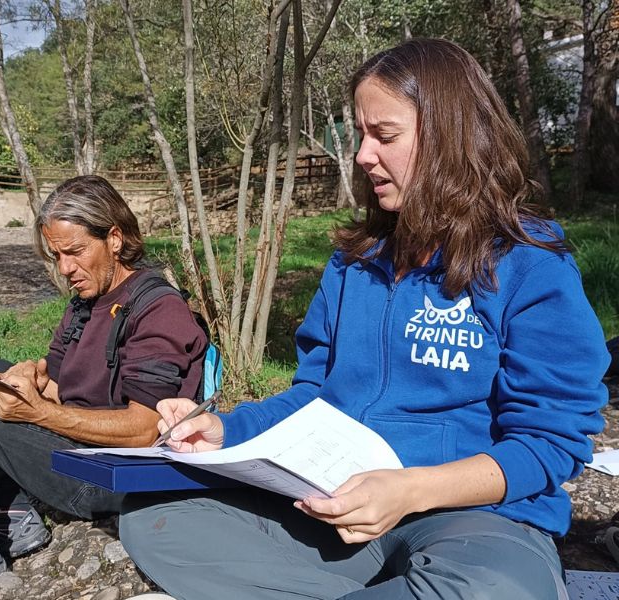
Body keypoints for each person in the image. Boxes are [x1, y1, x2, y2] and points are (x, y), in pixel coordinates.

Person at [119, 38, 609, 600]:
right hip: (331, 504)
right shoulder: (356, 262)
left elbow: (551, 443)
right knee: (156, 521)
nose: (362, 155)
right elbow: (315, 397)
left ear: (451, 137)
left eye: (385, 135)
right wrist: (229, 428)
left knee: (498, 589)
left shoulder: (529, 264)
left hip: (474, 518)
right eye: (361, 134)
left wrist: (409, 490)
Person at [0, 175, 208, 600]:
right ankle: (13, 512)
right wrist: (31, 381)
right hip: (84, 450)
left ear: (115, 239)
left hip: (118, 475)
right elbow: (60, 384)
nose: (65, 268)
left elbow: (144, 429)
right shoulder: (85, 303)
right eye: (57, 255)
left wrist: (38, 413)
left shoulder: (159, 309)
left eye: (75, 252)